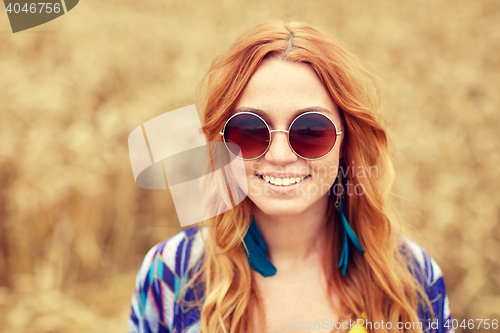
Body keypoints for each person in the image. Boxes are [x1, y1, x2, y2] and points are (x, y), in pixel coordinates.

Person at [128, 21, 453, 333]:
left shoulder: (411, 279)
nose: (280, 155)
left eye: (312, 130)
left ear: (347, 143)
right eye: (250, 130)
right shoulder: (170, 272)